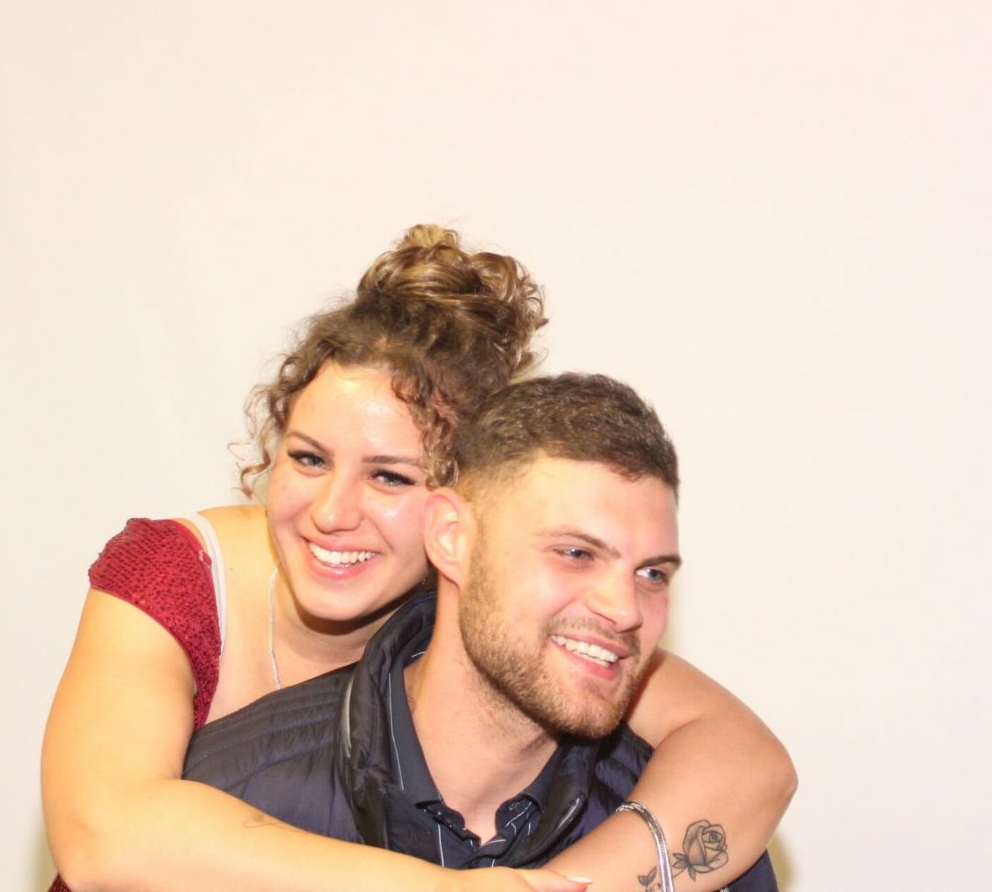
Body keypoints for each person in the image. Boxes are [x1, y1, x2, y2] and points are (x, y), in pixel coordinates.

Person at [42, 226, 794, 892]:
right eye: (308, 458)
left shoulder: (486, 600)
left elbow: (744, 760)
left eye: (390, 477)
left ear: (456, 520)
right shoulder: (177, 577)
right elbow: (103, 836)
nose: (332, 512)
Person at [181, 373, 777, 891]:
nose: (625, 610)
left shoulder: (689, 821)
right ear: (451, 538)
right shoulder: (233, 798)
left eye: (651, 574)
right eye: (575, 553)